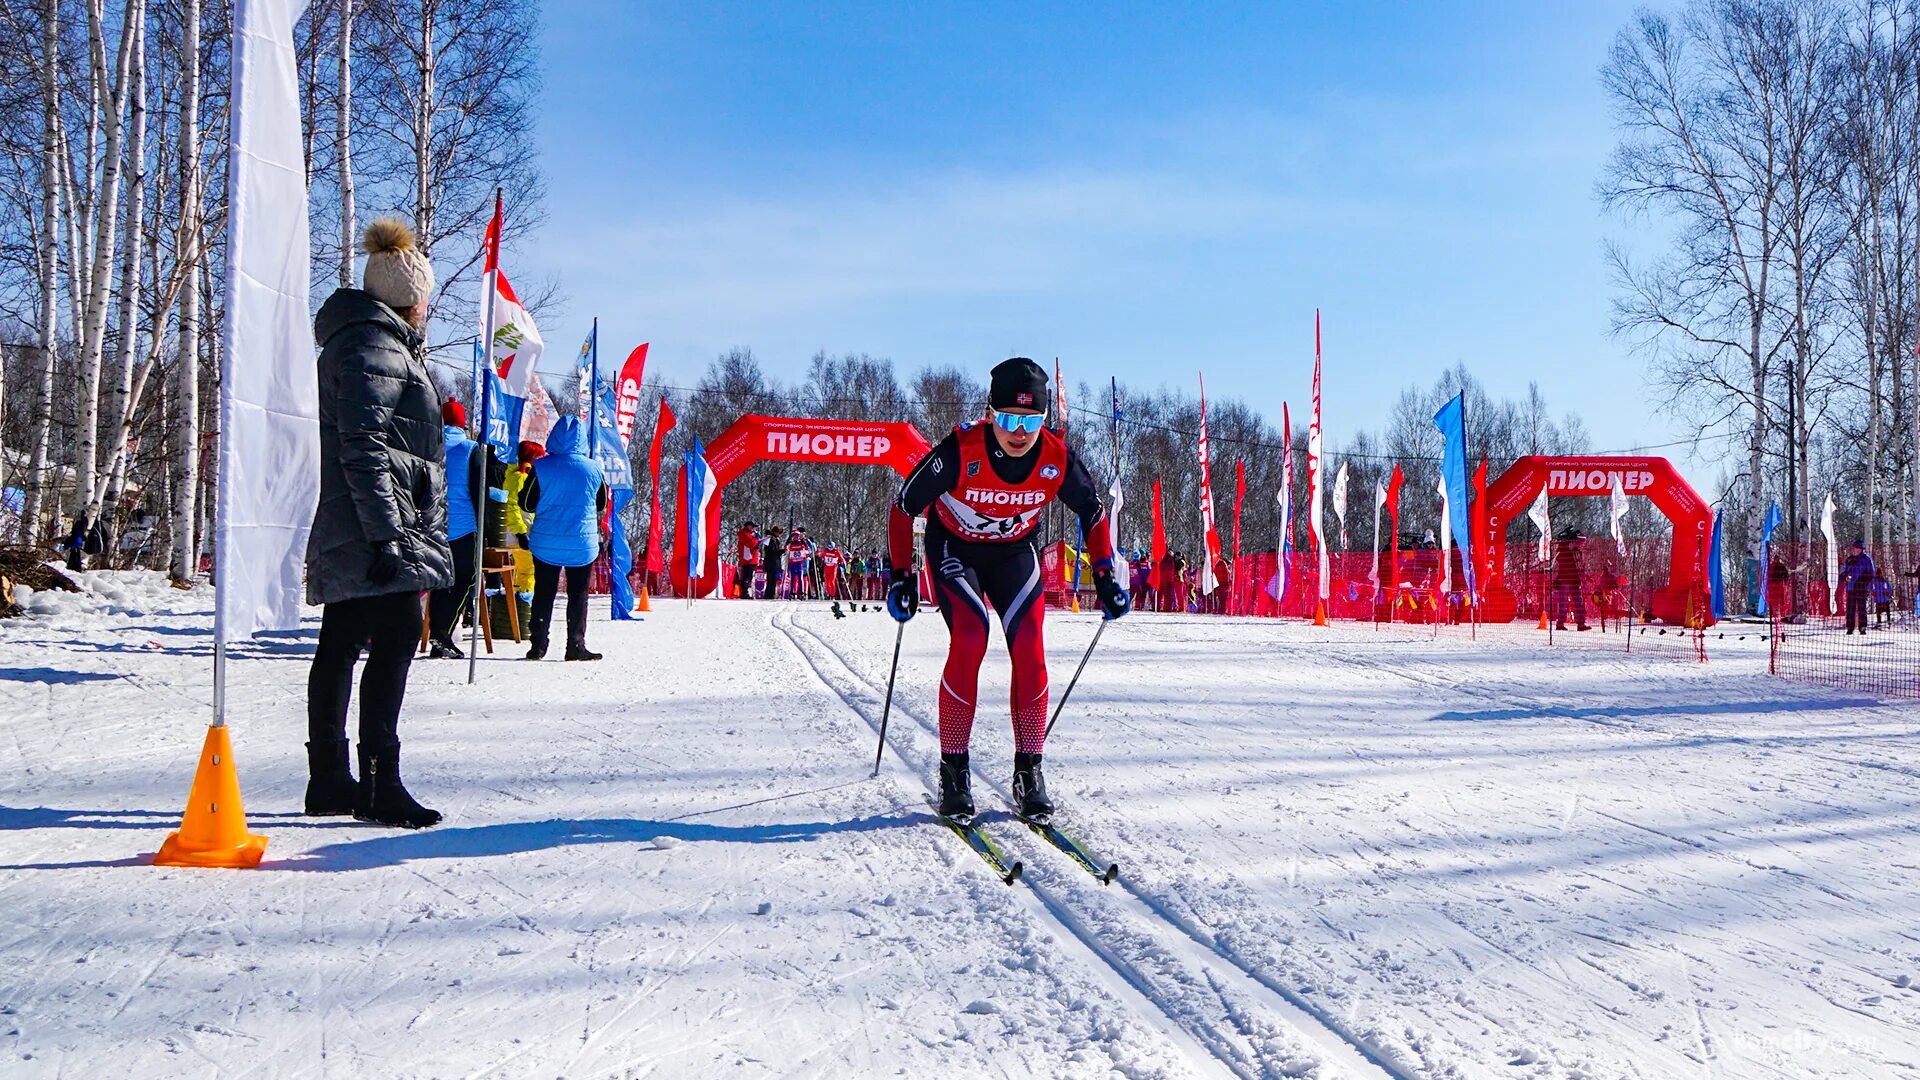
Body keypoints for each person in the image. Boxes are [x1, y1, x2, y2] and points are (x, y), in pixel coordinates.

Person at [887, 357, 1128, 823]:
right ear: (990, 413)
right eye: (1009, 419)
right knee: (972, 635)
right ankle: (954, 772)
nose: (1019, 432)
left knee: (1030, 647)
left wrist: (1103, 573)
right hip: (954, 549)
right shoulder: (961, 450)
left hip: (1014, 554)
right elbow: (903, 508)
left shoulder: (1055, 458)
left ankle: (1029, 773)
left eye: (1031, 420)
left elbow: (1093, 510)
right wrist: (900, 576)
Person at [303, 217, 448, 829]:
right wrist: (389, 535)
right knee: (392, 643)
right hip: (377, 527)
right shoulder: (375, 349)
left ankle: (332, 781)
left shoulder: (360, 342)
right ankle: (379, 783)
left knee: (339, 646)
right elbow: (363, 447)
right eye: (423, 301)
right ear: (410, 300)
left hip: (356, 520)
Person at [518, 415, 609, 660]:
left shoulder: (541, 466)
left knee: (544, 593)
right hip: (581, 543)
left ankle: (538, 645)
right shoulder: (593, 468)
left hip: (546, 542)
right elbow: (601, 503)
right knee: (578, 595)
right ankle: (575, 645)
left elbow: (526, 503)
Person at [425, 401, 499, 659]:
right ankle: (442, 632)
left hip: (430, 525)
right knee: (463, 579)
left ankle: (437, 633)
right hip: (463, 526)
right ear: (462, 424)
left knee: (436, 581)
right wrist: (486, 527)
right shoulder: (470, 449)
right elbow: (479, 491)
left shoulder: (427, 445)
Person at [1551, 529, 1589, 631]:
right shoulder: (1575, 552)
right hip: (1573, 581)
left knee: (1563, 603)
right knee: (1578, 603)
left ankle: (1560, 624)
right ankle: (1580, 624)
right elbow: (1579, 566)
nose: (1580, 544)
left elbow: (1557, 565)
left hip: (1564, 580)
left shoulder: (1560, 552)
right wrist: (1585, 577)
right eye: (1579, 542)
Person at [1839, 539, 1875, 635]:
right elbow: (1842, 572)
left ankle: (1862, 627)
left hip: (1861, 587)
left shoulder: (1867, 559)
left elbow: (1871, 573)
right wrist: (1845, 577)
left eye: (1856, 548)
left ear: (1861, 549)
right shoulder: (1849, 559)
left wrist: (1863, 581)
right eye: (1854, 548)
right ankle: (1850, 627)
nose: (1854, 550)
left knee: (1861, 607)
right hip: (1850, 587)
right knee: (1850, 608)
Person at [735, 520, 762, 599]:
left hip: (751, 558)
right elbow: (751, 544)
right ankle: (744, 593)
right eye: (752, 526)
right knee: (746, 577)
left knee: (748, 577)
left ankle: (745, 592)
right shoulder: (744, 534)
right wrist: (756, 539)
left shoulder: (749, 534)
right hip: (747, 559)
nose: (753, 528)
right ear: (748, 526)